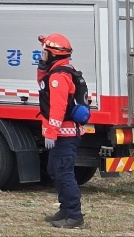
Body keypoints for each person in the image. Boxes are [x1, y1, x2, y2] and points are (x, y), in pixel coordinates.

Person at [38, 33, 86, 229]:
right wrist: (42, 66)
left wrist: (51, 132)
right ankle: (65, 210)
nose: (41, 55)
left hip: (64, 135)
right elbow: (42, 83)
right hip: (64, 133)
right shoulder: (60, 71)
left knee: (64, 173)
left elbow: (58, 107)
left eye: (44, 52)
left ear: (53, 54)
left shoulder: (58, 77)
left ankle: (74, 215)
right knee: (55, 170)